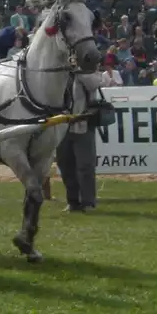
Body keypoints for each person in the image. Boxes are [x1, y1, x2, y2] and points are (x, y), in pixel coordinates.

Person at [56, 72, 102, 212]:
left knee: (85, 165)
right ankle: (73, 201)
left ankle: (88, 202)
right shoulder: (59, 73)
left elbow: (95, 83)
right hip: (62, 126)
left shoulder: (86, 69)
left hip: (83, 124)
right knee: (65, 165)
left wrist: (79, 71)